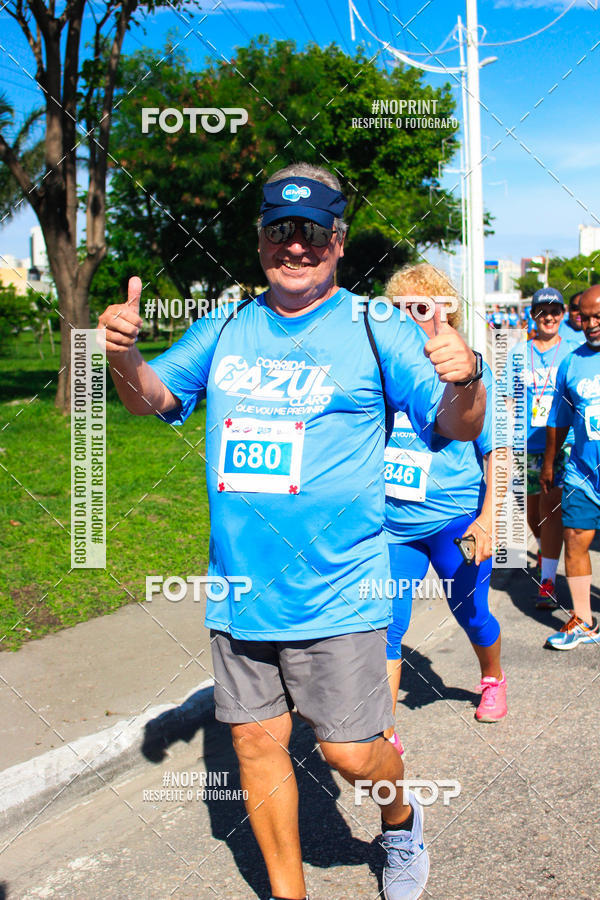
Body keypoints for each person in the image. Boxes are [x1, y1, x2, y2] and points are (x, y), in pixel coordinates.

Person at [98, 163, 486, 900]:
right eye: (282, 230)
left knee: (348, 751)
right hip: (243, 587)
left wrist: (465, 379)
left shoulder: (375, 327)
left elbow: (451, 425)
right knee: (253, 740)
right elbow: (151, 400)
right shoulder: (227, 326)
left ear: (337, 242)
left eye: (312, 232)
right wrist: (123, 356)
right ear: (261, 241)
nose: (296, 246)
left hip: (340, 588)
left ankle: (400, 821)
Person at [383, 264, 507, 735]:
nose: (406, 317)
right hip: (392, 527)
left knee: (471, 613)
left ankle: (492, 677)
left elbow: (496, 452)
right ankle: (383, 735)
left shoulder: (472, 372)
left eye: (419, 308)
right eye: (396, 309)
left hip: (455, 521)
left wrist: (489, 520)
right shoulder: (382, 370)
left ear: (447, 314)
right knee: (386, 628)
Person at [502, 287, 573, 608]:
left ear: (563, 314)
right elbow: (506, 398)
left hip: (561, 444)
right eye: (542, 311)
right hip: (526, 443)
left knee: (550, 508)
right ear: (533, 315)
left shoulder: (573, 349)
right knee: (532, 514)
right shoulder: (519, 353)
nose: (549, 317)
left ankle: (547, 579)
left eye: (555, 311)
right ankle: (548, 556)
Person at [541, 285, 600, 648]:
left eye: (599, 317)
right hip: (582, 471)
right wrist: (549, 464)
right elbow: (558, 419)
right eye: (586, 317)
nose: (591, 324)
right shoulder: (572, 362)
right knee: (574, 539)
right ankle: (583, 620)